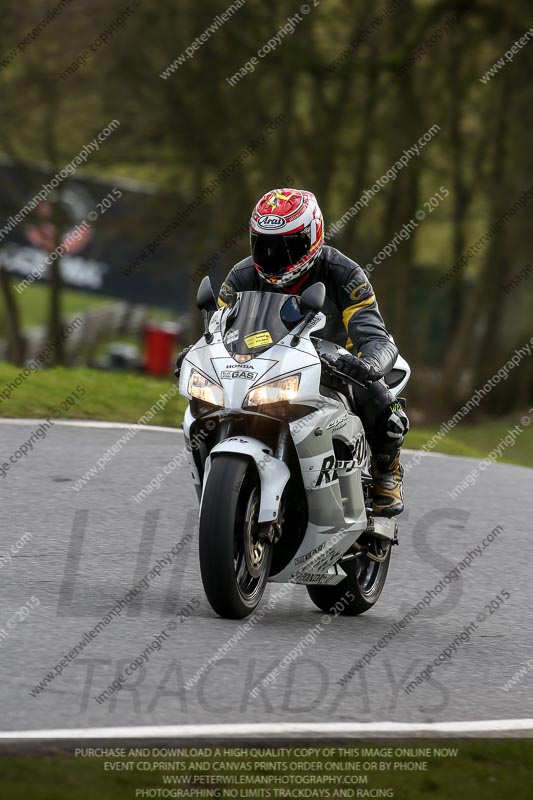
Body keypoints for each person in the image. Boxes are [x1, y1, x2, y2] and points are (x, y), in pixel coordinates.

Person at [183, 188, 409, 516]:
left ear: (313, 235)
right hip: (263, 367)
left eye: (287, 246)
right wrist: (194, 354)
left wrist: (369, 363)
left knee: (384, 407)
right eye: (266, 245)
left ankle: (387, 474)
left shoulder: (344, 274)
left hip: (336, 368)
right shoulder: (241, 276)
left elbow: (373, 335)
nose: (275, 256)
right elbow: (219, 331)